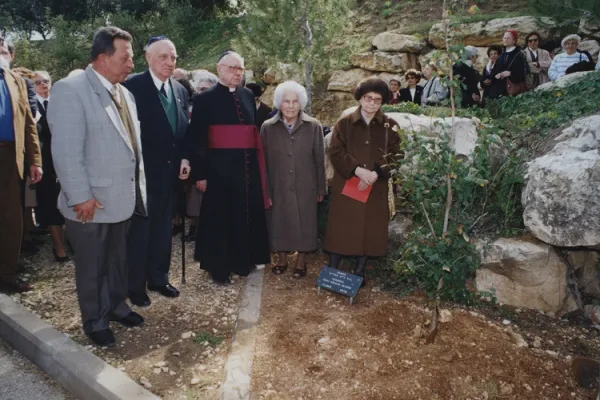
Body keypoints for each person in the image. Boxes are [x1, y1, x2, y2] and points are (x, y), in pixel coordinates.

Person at [48, 27, 147, 348]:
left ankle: (117, 307)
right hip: (90, 202)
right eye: (126, 57)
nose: (131, 64)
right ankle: (95, 320)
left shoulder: (125, 93)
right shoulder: (70, 90)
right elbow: (65, 152)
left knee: (118, 261)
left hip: (121, 199)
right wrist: (80, 197)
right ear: (103, 59)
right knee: (92, 267)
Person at [188, 51, 270, 285]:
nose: (237, 73)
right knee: (219, 217)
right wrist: (200, 174)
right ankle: (218, 267)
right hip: (218, 170)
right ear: (219, 69)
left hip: (246, 169)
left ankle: (242, 261)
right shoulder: (204, 99)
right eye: (232, 68)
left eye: (240, 69)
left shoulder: (246, 95)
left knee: (244, 214)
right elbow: (198, 139)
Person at [123, 36, 191, 307]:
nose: (169, 61)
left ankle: (159, 278)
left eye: (173, 56)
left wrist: (185, 157)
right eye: (163, 56)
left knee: (164, 229)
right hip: (142, 174)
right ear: (148, 58)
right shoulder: (131, 88)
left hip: (171, 175)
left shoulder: (180, 90)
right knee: (140, 231)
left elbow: (184, 130)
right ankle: (135, 285)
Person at [324, 77, 401, 287]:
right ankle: (332, 268)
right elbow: (335, 151)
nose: (372, 104)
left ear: (383, 102)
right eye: (368, 98)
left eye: (377, 100)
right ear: (360, 98)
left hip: (375, 186)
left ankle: (359, 270)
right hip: (348, 182)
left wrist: (376, 172)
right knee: (341, 226)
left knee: (370, 228)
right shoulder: (344, 123)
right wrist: (357, 169)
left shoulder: (390, 126)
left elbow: (396, 154)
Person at [260, 81, 326, 278]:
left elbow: (320, 160)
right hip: (277, 184)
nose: (290, 106)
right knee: (278, 220)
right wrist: (265, 190)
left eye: (295, 101)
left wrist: (321, 188)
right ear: (279, 103)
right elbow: (262, 162)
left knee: (306, 221)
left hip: (307, 184)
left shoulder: (313, 126)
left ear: (301, 103)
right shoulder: (267, 127)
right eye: (286, 101)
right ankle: (281, 259)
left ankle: (301, 261)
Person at [0, 44, 43, 293]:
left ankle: (7, 274)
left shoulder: (15, 79)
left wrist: (35, 160)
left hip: (9, 156)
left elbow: (28, 122)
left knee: (10, 219)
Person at [32, 70, 69, 262]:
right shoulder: (31, 105)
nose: (43, 85)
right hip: (45, 163)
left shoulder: (61, 102)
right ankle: (59, 247)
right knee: (51, 204)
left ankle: (73, 241)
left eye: (46, 81)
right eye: (38, 82)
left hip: (66, 160)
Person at [185, 70, 218, 242]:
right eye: (200, 89)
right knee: (196, 201)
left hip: (217, 165)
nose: (202, 93)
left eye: (206, 89)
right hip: (198, 164)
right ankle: (196, 228)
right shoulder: (194, 109)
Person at [493, 30, 528, 97]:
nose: (506, 40)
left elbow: (523, 72)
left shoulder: (519, 54)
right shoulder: (501, 55)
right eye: (504, 38)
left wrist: (510, 73)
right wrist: (497, 74)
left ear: (514, 40)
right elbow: (496, 69)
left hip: (515, 88)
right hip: (502, 89)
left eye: (508, 38)